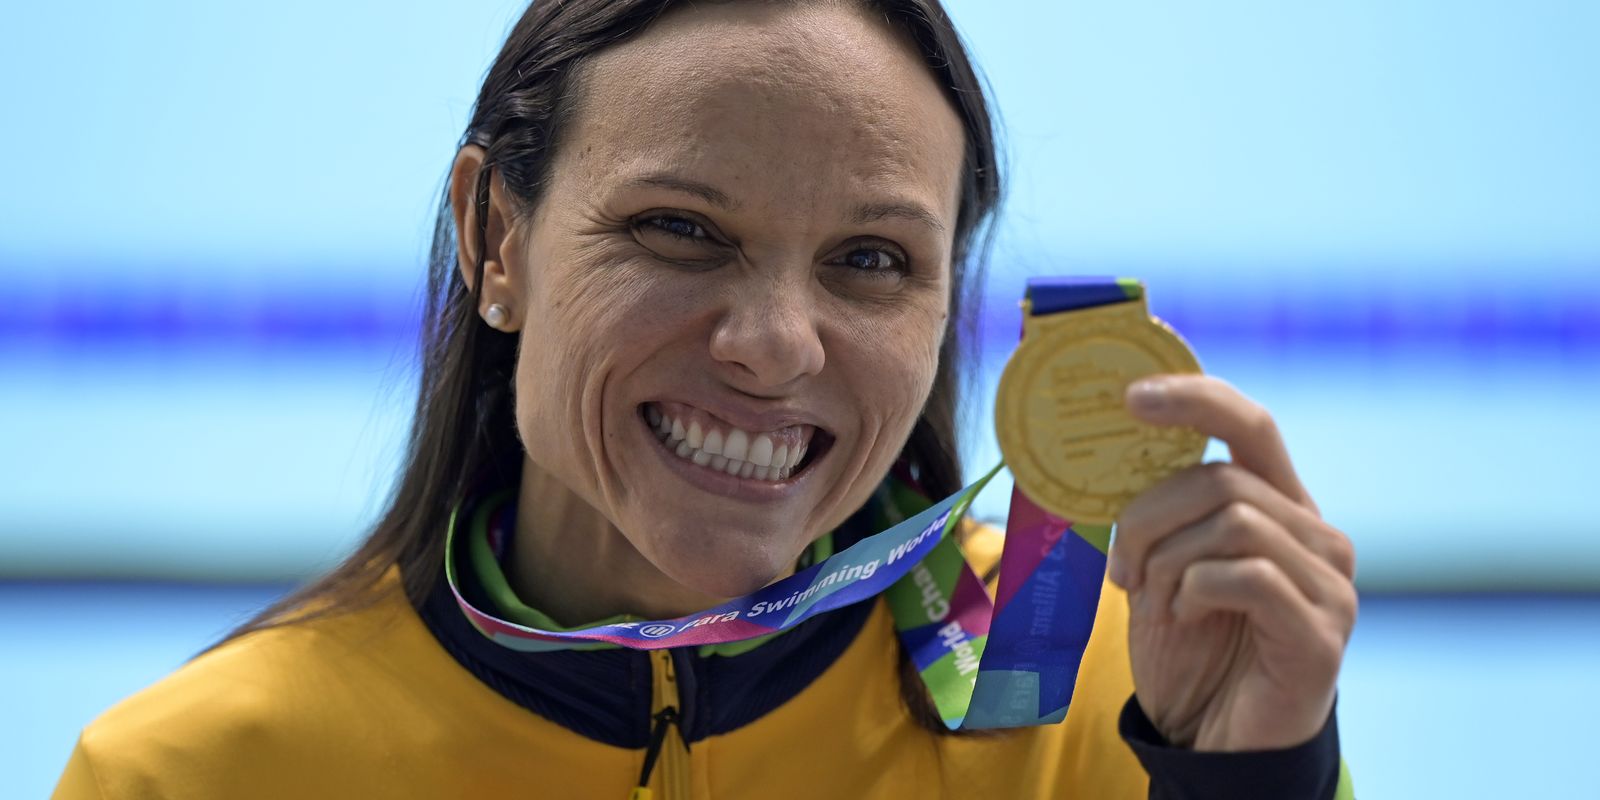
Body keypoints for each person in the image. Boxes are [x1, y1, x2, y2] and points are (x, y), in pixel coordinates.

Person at [53, 1, 1358, 797]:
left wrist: (1250, 785)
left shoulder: (1106, 696)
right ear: (495, 239)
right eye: (679, 229)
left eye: (871, 260)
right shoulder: (195, 776)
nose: (774, 347)